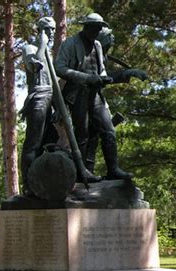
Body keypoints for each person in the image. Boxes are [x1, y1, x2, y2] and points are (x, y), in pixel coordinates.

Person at [55, 13, 133, 181]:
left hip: (96, 95)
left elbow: (101, 69)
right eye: (96, 28)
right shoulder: (70, 44)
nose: (98, 31)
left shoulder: (97, 44)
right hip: (78, 93)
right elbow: (59, 68)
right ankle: (82, 172)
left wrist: (103, 77)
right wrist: (86, 78)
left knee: (108, 129)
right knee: (81, 133)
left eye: (100, 28)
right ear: (87, 27)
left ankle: (113, 169)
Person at [85, 27, 148, 172]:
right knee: (93, 137)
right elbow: (104, 78)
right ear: (101, 39)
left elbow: (106, 77)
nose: (112, 38)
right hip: (86, 100)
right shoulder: (90, 55)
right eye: (109, 35)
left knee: (95, 136)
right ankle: (93, 171)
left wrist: (129, 73)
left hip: (96, 99)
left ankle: (101, 170)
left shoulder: (103, 56)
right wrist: (127, 73)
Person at [19, 16, 58, 195]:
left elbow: (54, 82)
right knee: (33, 143)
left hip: (50, 99)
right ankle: (28, 184)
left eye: (53, 29)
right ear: (40, 30)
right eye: (47, 29)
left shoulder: (48, 54)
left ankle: (44, 181)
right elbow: (36, 67)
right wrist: (42, 44)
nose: (51, 33)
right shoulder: (30, 48)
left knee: (51, 141)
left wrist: (57, 106)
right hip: (37, 98)